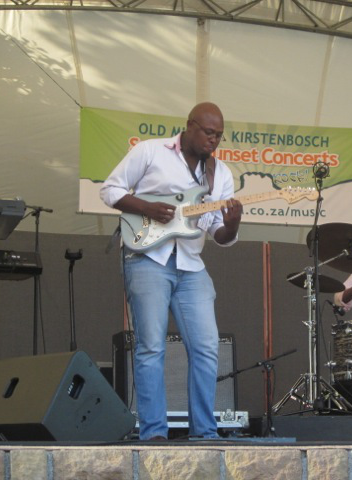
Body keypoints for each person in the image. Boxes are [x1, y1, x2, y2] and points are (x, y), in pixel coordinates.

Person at [100, 102, 242, 441]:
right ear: (190, 126)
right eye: (209, 133)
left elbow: (219, 234)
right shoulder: (151, 151)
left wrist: (233, 224)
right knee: (151, 347)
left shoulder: (220, 174)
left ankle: (204, 432)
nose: (214, 140)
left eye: (219, 135)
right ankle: (154, 434)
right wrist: (147, 207)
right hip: (148, 258)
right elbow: (110, 190)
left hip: (191, 265)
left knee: (207, 347)